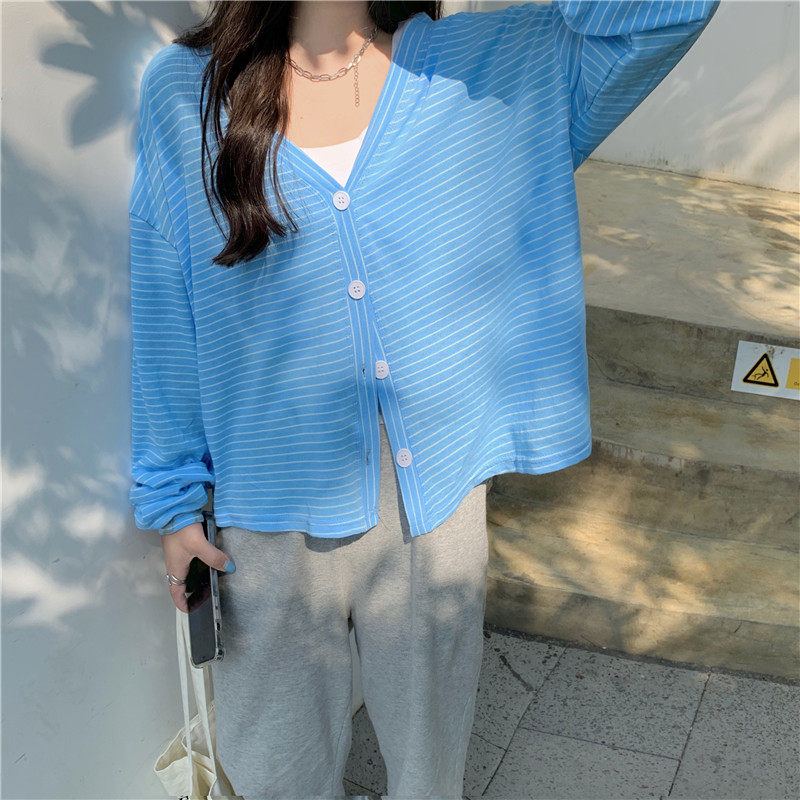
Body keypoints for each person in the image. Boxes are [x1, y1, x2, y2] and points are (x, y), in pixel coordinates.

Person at [127, 1, 720, 797]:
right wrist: (172, 499)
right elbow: (166, 302)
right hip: (265, 516)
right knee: (273, 772)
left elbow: (667, 14)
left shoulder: (489, 64)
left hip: (432, 501)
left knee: (429, 768)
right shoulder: (185, 91)